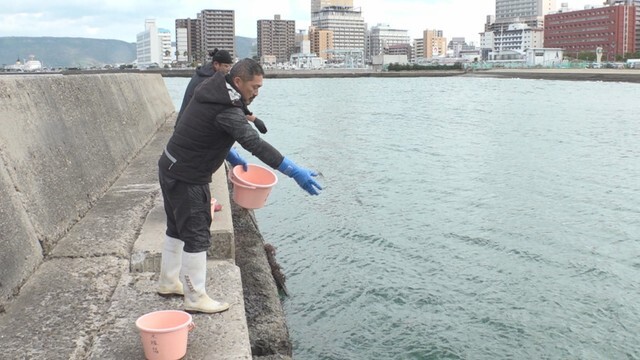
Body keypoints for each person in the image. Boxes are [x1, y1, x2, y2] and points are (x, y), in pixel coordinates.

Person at [157, 58, 322, 314]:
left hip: (170, 165)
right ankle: (195, 296)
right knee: (197, 235)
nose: (256, 93)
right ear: (238, 81)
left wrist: (230, 155)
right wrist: (292, 170)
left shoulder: (214, 89)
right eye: (254, 87)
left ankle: (168, 282)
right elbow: (255, 144)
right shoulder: (227, 110)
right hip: (187, 175)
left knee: (176, 228)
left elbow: (205, 127)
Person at [176, 48, 267, 135]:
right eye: (226, 66)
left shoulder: (205, 73)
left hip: (186, 123)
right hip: (189, 129)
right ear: (216, 64)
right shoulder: (208, 82)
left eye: (230, 66)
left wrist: (253, 118)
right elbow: (229, 104)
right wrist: (254, 120)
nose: (228, 69)